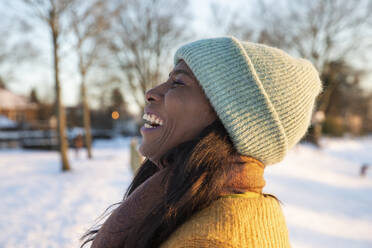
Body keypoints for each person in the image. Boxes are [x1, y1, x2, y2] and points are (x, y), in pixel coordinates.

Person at [81, 36, 323, 248]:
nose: (151, 91)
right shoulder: (196, 201)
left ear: (231, 118)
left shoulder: (212, 241)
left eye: (178, 82)